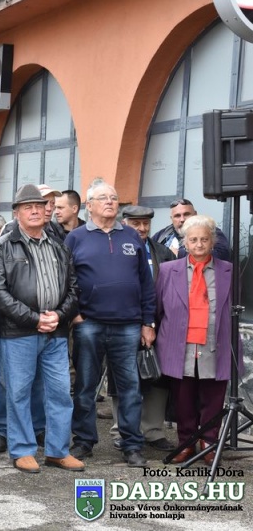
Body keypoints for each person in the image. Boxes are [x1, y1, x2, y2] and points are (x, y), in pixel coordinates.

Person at [0, 185, 83, 473]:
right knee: (18, 392)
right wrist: (34, 319)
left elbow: (73, 289)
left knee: (60, 392)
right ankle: (22, 450)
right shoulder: (1, 247)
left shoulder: (59, 247)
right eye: (27, 207)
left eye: (39, 206)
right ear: (16, 213)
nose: (34, 211)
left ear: (47, 210)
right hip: (18, 334)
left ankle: (57, 451)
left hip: (55, 333)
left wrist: (59, 315)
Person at [65, 183, 155, 468]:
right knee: (85, 387)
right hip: (89, 324)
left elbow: (146, 282)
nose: (110, 202)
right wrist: (75, 314)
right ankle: (83, 441)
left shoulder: (131, 235)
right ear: (89, 205)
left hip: (128, 325)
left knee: (130, 389)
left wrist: (148, 321)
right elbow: (65, 279)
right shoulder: (75, 238)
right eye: (103, 198)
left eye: (114, 198)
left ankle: (132, 445)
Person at [156, 215, 239, 465]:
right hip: (180, 343)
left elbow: (234, 307)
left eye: (204, 239)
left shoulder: (228, 270)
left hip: (215, 342)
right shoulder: (168, 270)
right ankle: (186, 443)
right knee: (183, 399)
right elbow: (157, 307)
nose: (199, 244)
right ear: (185, 243)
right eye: (193, 240)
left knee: (213, 398)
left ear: (212, 241)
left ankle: (209, 444)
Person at [106, 205, 176, 452]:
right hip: (121, 321)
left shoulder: (163, 252)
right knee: (121, 376)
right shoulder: (112, 247)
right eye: (136, 223)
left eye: (146, 223)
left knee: (157, 376)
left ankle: (153, 431)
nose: (142, 228)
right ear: (124, 223)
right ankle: (121, 429)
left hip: (157, 323)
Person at [151, 198, 230, 260]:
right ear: (171, 218)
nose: (182, 219)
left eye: (186, 214)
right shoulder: (162, 235)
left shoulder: (208, 230)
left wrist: (179, 254)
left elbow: (222, 255)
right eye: (177, 216)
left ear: (195, 214)